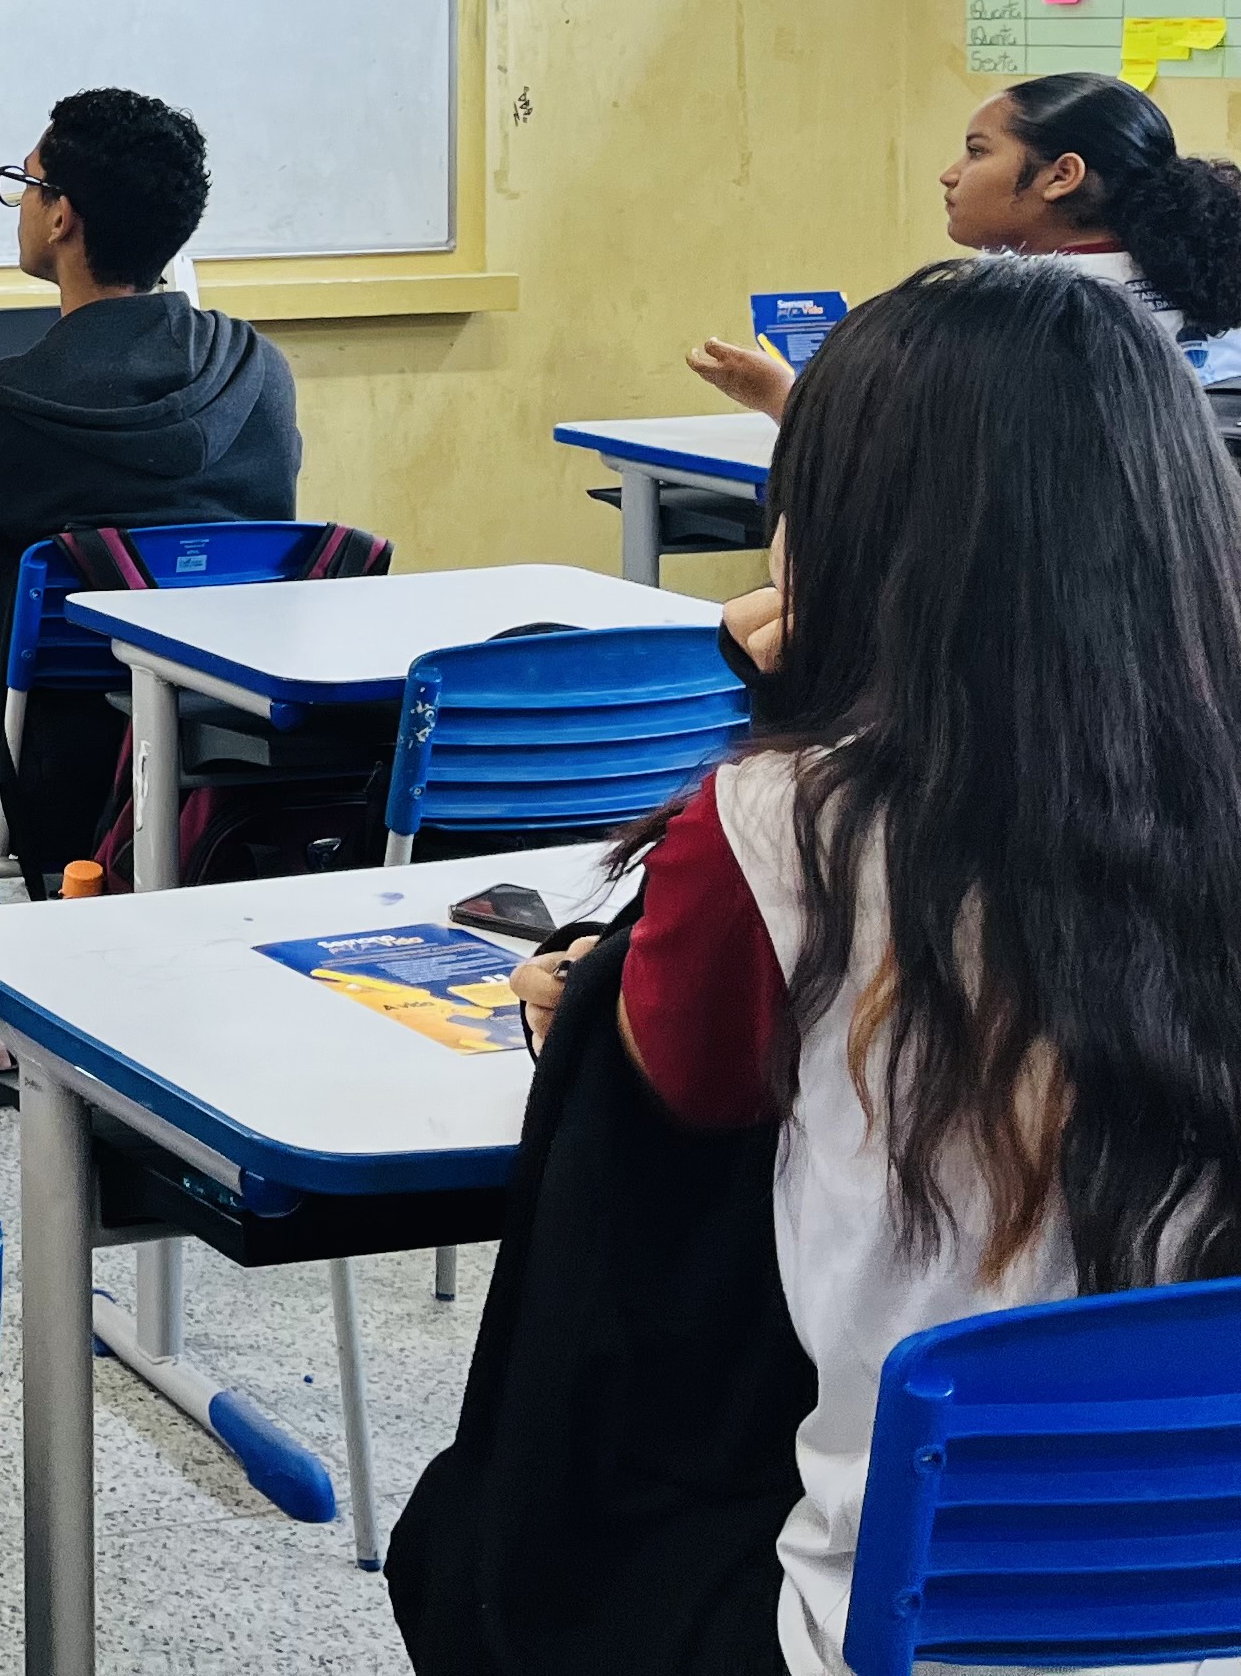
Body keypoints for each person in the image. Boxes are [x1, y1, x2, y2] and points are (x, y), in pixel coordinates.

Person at [522, 259, 1241, 1676]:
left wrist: (786, 711)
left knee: (512, 1528)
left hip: (906, 1612)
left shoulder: (787, 825)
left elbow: (682, 1101)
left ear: (849, 531)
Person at [0, 88, 298, 901]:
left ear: (62, 217)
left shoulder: (10, 406)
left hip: (47, 760)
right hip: (217, 738)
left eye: (25, 184)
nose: (22, 205)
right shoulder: (258, 373)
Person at [688, 72, 1241, 415]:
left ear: (1060, 175)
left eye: (977, 151)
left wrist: (779, 395)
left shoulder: (1009, 312)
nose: (950, 175)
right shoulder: (1198, 286)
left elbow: (909, 461)